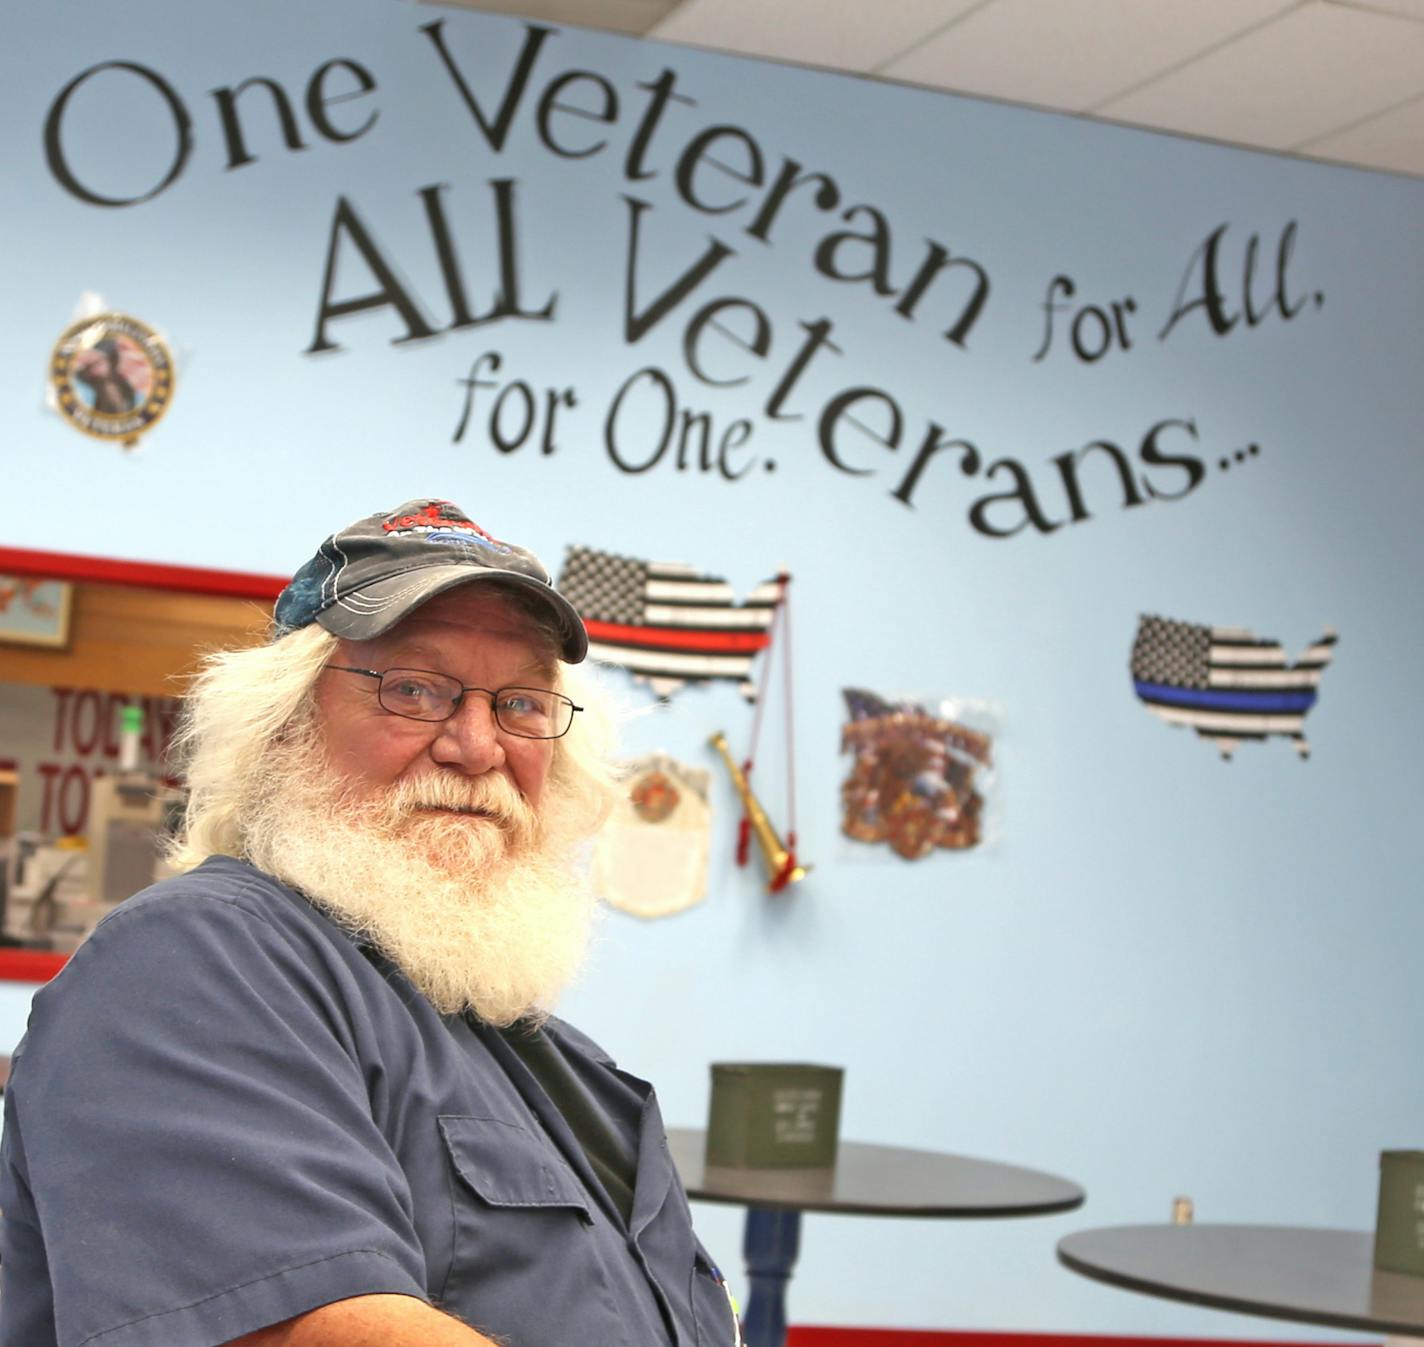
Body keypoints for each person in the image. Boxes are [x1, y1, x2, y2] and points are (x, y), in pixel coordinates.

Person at [0, 499, 742, 1347]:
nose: (476, 745)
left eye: (522, 703)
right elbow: (309, 1328)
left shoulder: (540, 1049)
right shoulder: (194, 959)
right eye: (414, 690)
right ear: (283, 733)